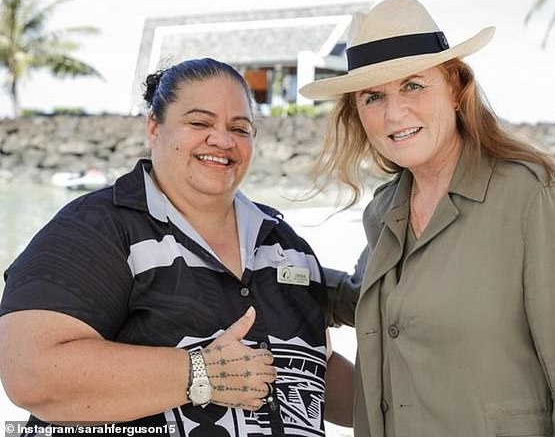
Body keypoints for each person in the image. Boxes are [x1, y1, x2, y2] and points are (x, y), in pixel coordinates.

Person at [300, 0, 555, 437]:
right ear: (356, 113)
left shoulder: (528, 195)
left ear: (454, 85)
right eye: (373, 96)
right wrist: (286, 274)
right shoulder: (384, 212)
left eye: (413, 85)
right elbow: (382, 306)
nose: (394, 113)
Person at [0, 57, 352, 436]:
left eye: (240, 127)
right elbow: (30, 373)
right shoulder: (96, 229)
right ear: (154, 126)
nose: (222, 139)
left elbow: (315, 372)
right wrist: (199, 372)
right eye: (199, 123)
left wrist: (412, 404)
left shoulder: (285, 244)